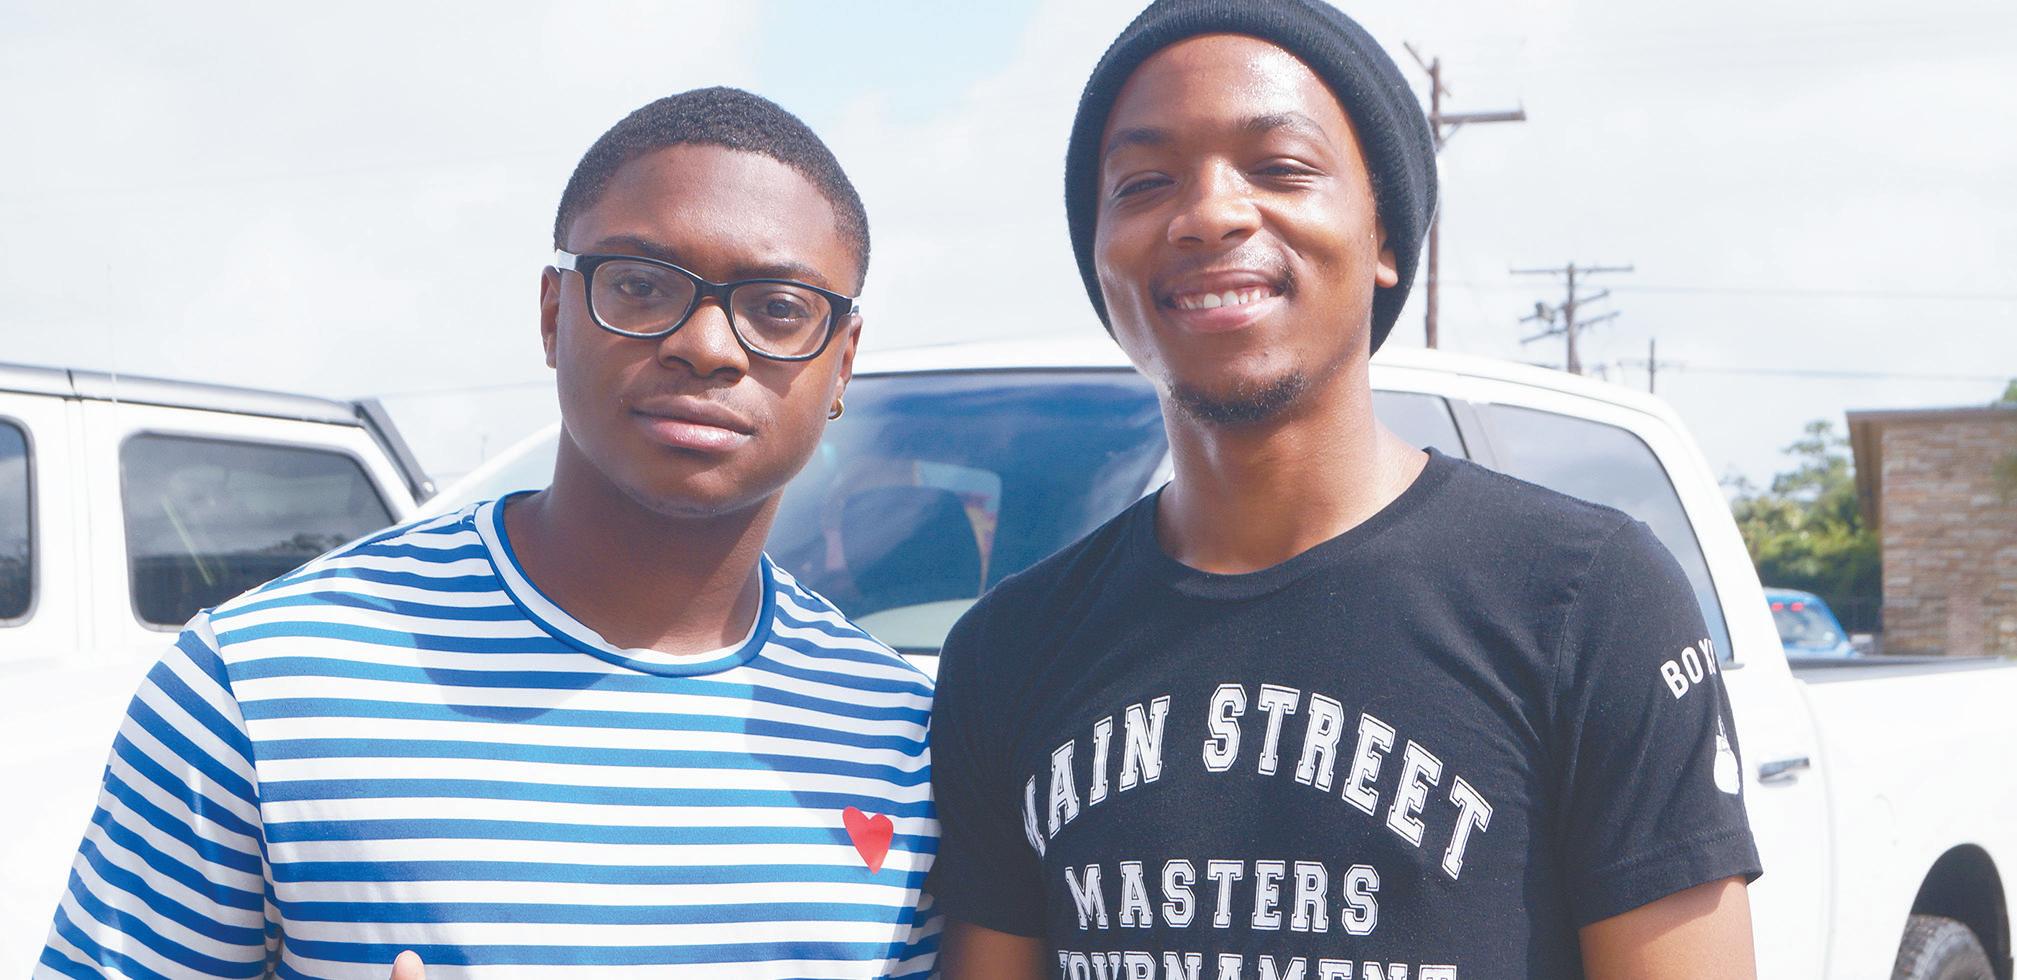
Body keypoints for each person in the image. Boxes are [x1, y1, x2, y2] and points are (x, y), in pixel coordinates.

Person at [926, 2, 1761, 978]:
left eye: (1280, 167)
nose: (1209, 213)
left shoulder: (1586, 600)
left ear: (1384, 236)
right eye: (1144, 182)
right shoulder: (1007, 651)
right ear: (1098, 255)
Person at [38, 87, 938, 979]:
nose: (706, 345)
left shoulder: (902, 736)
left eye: (778, 308)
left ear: (842, 362)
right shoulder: (259, 680)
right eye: (639, 286)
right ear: (552, 314)